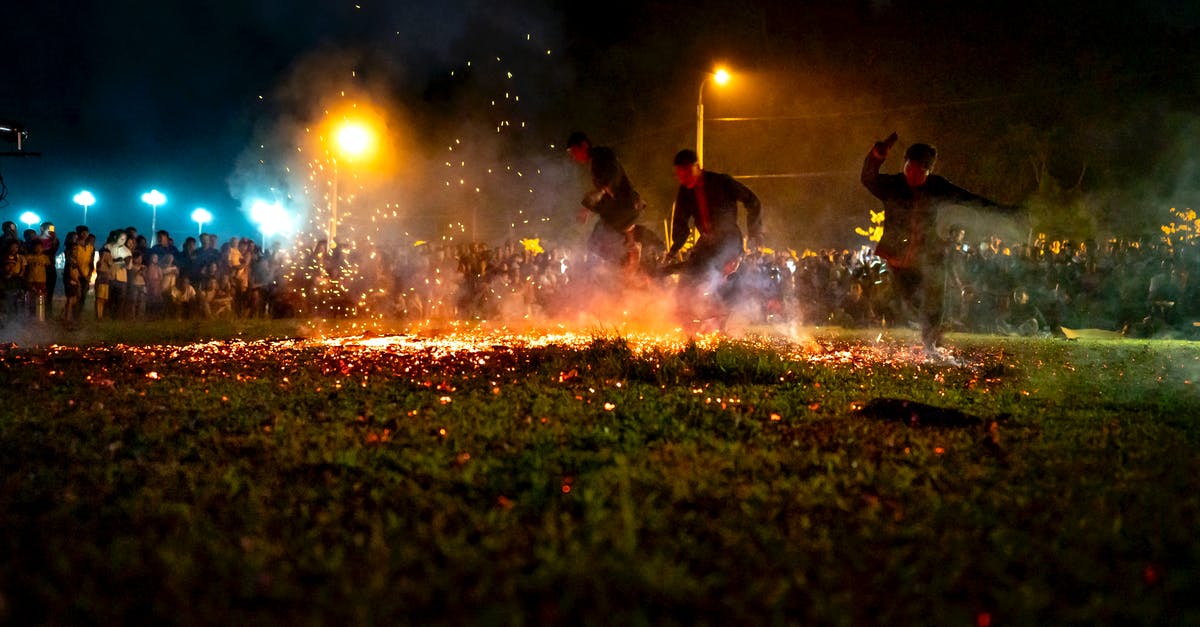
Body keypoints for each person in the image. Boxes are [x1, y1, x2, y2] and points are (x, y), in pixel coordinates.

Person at [861, 132, 1019, 356]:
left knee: (936, 294)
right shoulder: (893, 184)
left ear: (929, 171)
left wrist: (1004, 211)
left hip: (929, 252)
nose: (913, 175)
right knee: (909, 298)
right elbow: (867, 178)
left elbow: (969, 199)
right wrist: (876, 156)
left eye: (919, 171)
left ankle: (930, 343)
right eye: (910, 168)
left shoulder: (937, 186)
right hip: (898, 254)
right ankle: (923, 329)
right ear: (904, 164)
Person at [665, 148, 764, 327]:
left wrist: (755, 232)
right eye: (679, 174)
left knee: (719, 274)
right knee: (687, 279)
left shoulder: (721, 181)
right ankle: (687, 326)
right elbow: (680, 220)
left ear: (697, 167)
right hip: (707, 241)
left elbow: (753, 201)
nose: (683, 178)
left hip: (729, 239)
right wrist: (674, 249)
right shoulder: (685, 191)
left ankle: (725, 318)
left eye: (687, 172)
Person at [566, 132, 645, 271]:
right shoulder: (597, 160)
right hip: (625, 209)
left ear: (584, 145)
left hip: (624, 207)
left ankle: (626, 262)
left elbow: (612, 174)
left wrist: (601, 191)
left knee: (595, 243)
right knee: (603, 240)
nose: (573, 157)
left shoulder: (601, 156)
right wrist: (587, 208)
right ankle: (630, 256)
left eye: (574, 151)